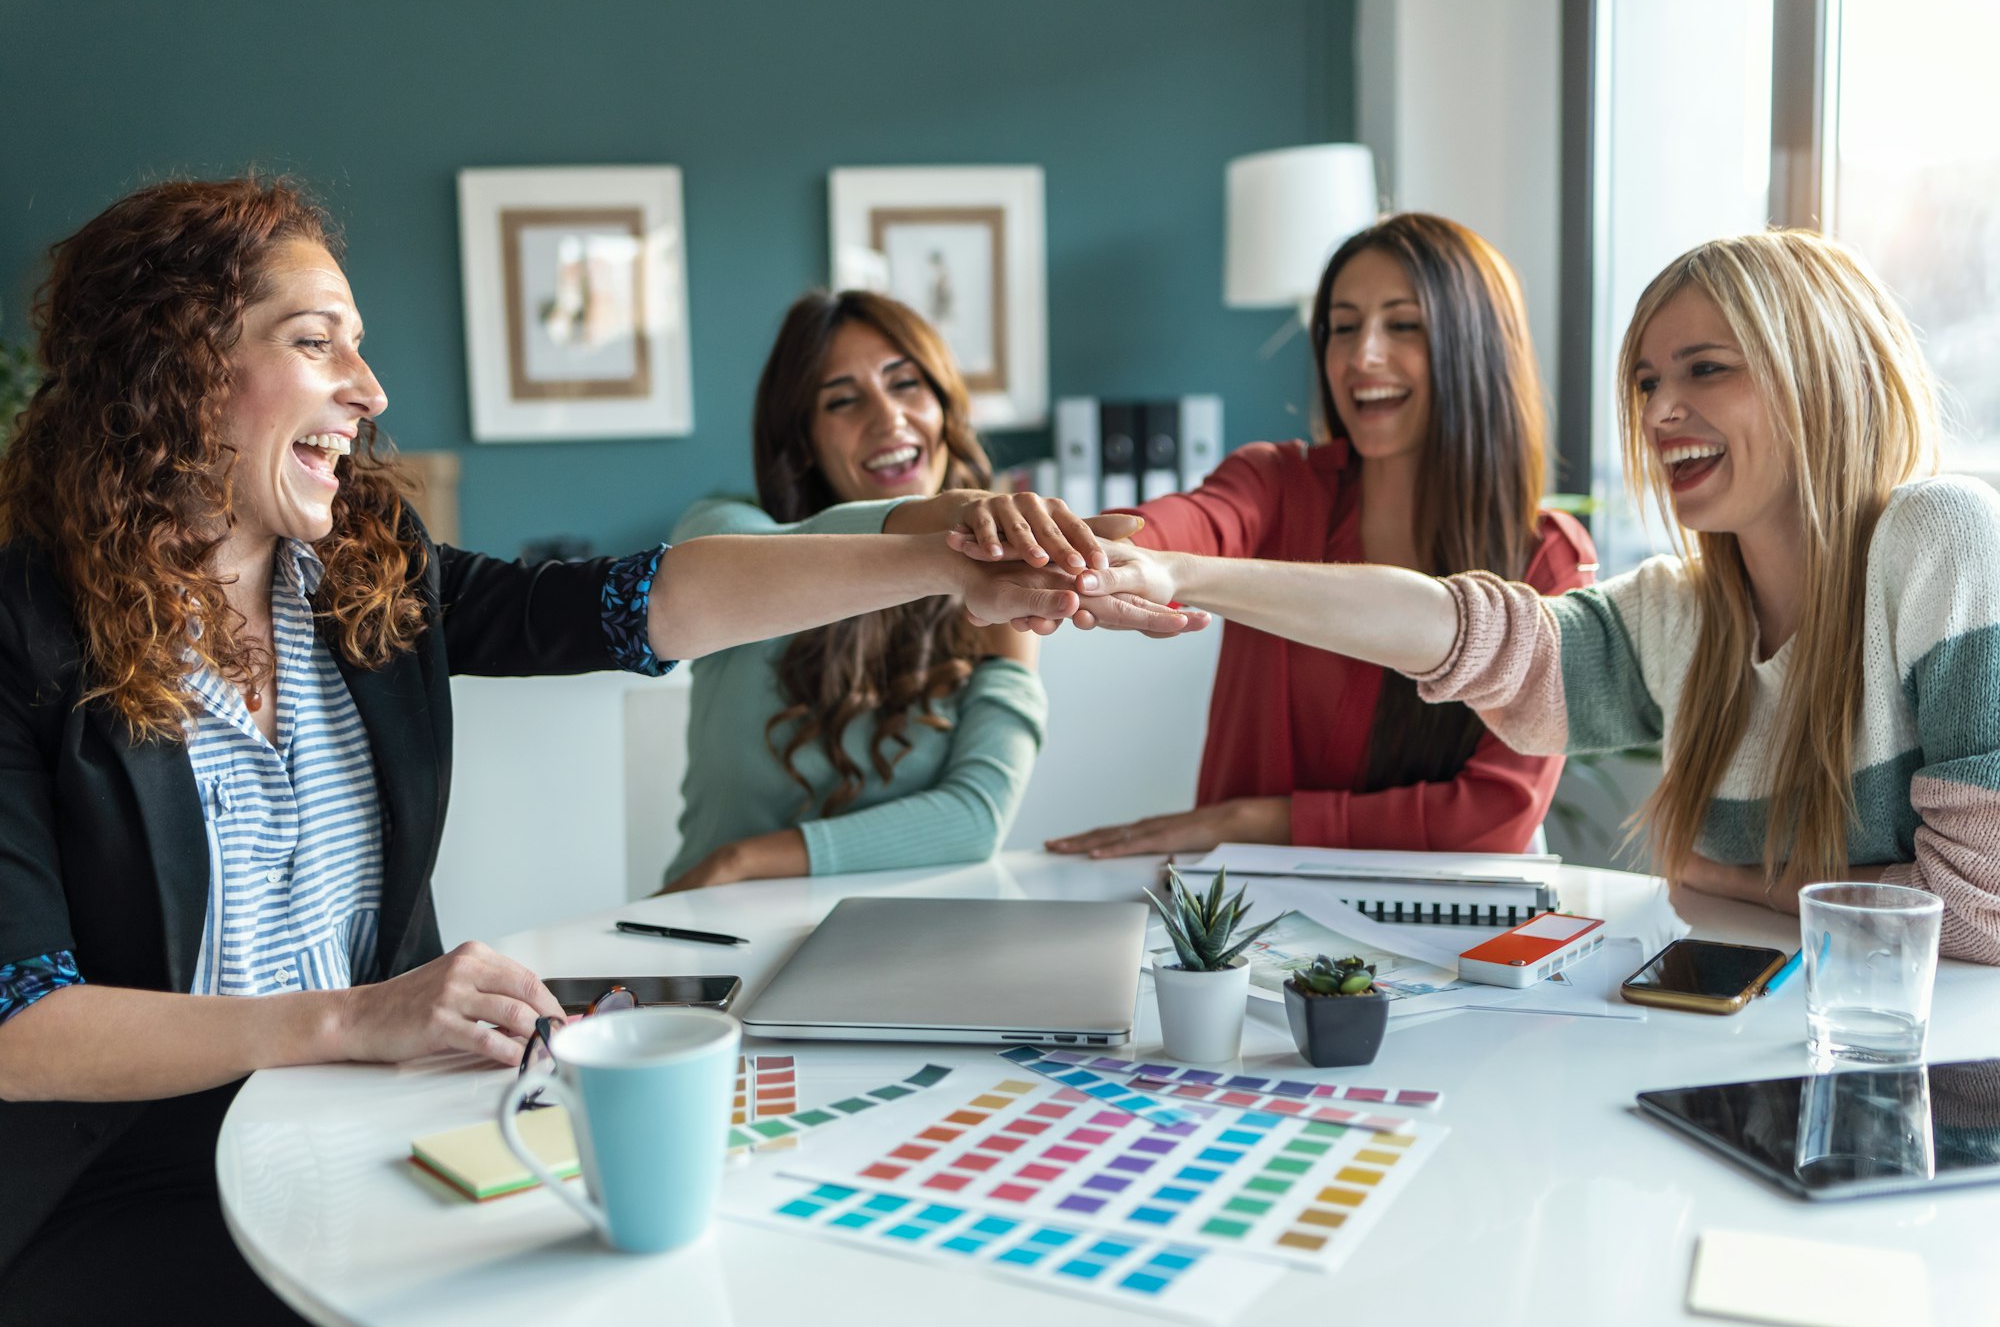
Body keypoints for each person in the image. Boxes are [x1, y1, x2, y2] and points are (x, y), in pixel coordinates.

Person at [0, 178, 1193, 1318]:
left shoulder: (367, 567)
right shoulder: (22, 629)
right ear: (175, 368)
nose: (367, 388)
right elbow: (23, 1029)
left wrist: (940, 559)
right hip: (136, 1178)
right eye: (316, 342)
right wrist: (354, 1018)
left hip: (366, 1124)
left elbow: (635, 602)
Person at [1065, 229, 2000, 963]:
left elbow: (1975, 916)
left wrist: (1754, 882)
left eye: (1705, 368)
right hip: (1760, 1029)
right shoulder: (1683, 616)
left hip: (1941, 1060)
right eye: (1646, 381)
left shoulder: (1939, 538)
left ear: (1823, 374)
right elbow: (1463, 631)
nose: (1660, 410)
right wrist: (1175, 571)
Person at [964, 213, 1596, 857]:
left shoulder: (1549, 559)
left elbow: (1496, 815)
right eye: (1343, 327)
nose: (1362, 355)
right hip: (1246, 916)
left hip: (1436, 924)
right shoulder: (1276, 483)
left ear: (1479, 346)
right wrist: (1069, 543)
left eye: (1402, 324)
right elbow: (1186, 524)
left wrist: (1242, 822)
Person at [661, 290, 1088, 889]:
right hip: (705, 931)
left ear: (943, 406)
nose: (888, 417)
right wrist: (943, 515)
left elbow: (975, 817)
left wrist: (746, 860)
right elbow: (784, 549)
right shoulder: (722, 535)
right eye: (843, 400)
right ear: (803, 441)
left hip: (898, 940)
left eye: (906, 384)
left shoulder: (992, 593)